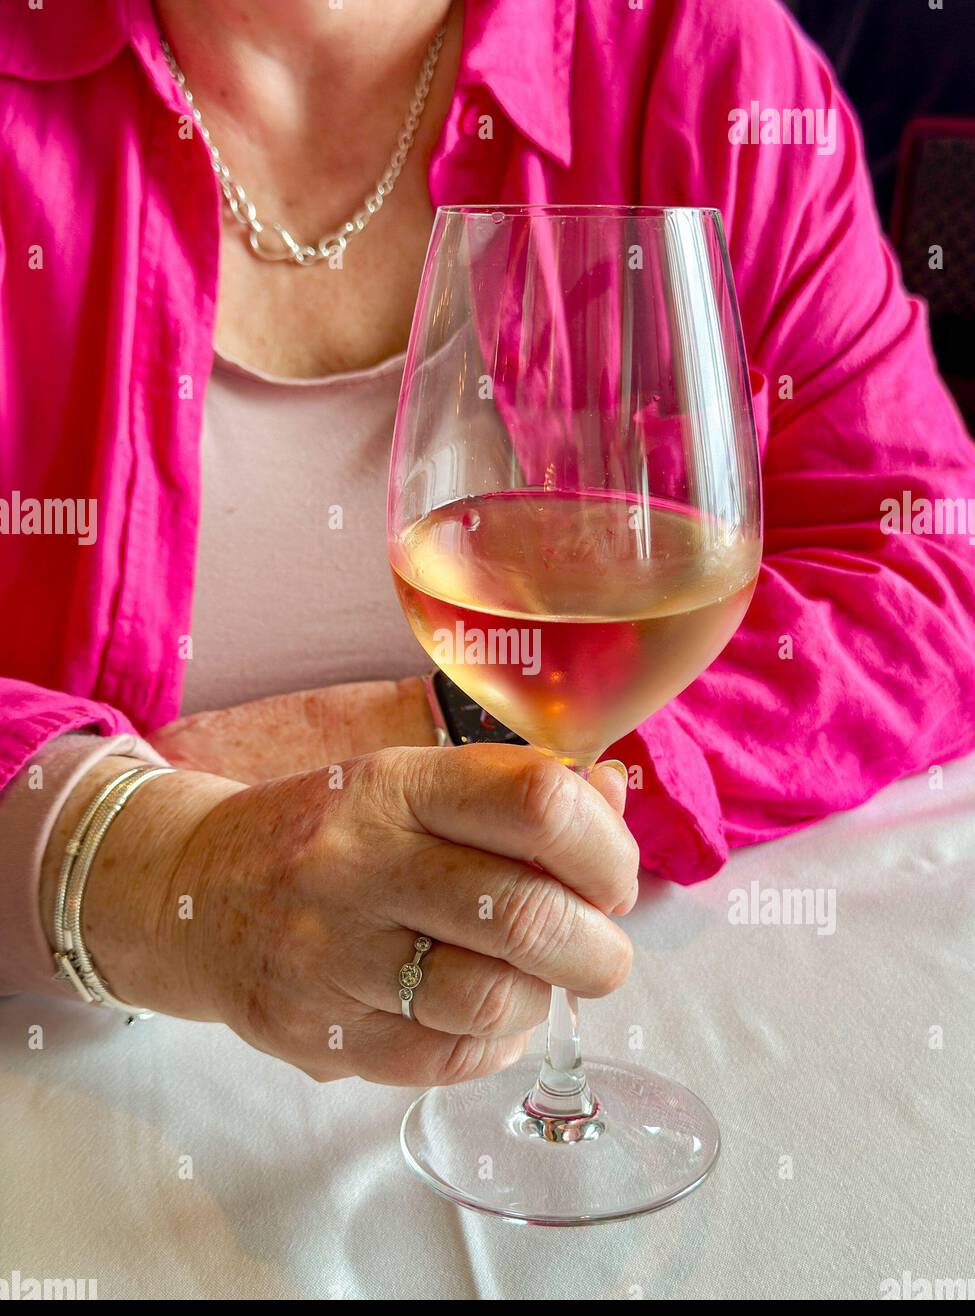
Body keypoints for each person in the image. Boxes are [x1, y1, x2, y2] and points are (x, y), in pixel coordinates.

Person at [2, 0, 973, 1089]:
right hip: (80, 1089)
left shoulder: (702, 66)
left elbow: (928, 570)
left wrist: (446, 726)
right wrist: (151, 865)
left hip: (645, 1024)